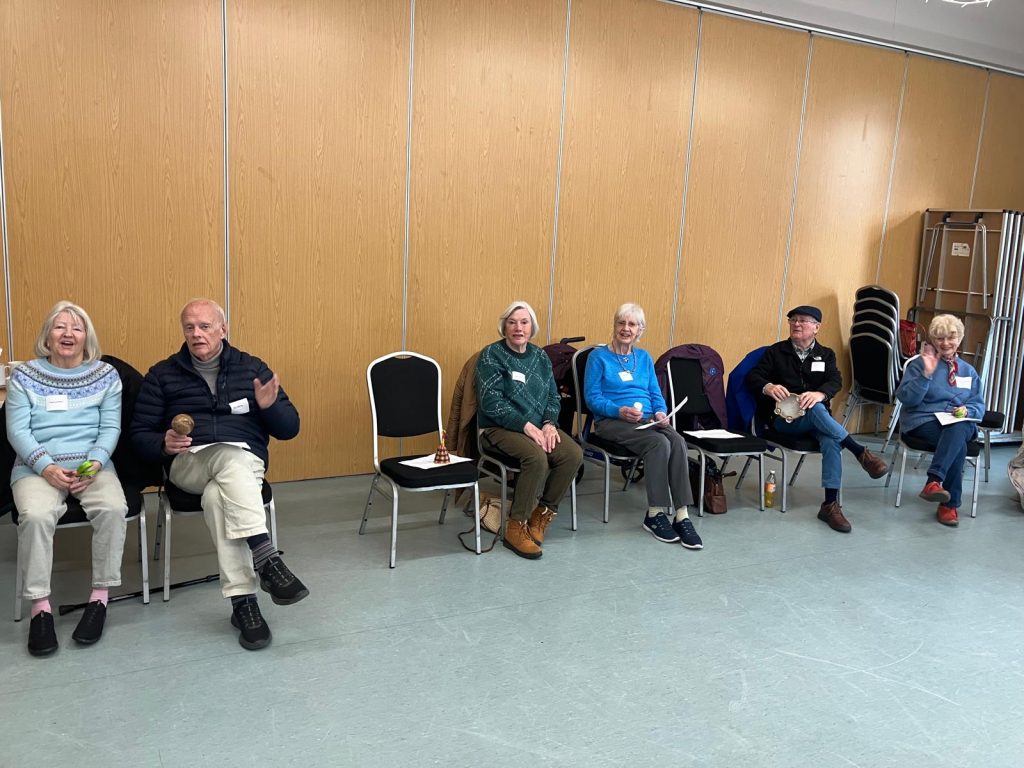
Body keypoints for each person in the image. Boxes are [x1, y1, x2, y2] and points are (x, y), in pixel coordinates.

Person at [131, 299, 306, 650]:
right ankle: (266, 556)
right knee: (229, 458)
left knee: (217, 496)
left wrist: (270, 407)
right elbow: (138, 435)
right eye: (190, 327)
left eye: (205, 326)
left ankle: (244, 603)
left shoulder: (252, 368)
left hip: (244, 464)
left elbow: (290, 429)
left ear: (223, 329)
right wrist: (163, 443)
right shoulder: (163, 374)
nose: (197, 334)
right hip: (188, 465)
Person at [7, 301, 127, 656]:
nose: (68, 334)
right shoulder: (24, 375)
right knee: (35, 516)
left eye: (77, 328)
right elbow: (17, 430)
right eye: (60, 327)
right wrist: (46, 467)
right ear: (47, 335)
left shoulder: (106, 375)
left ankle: (99, 598)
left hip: (92, 466)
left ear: (87, 337)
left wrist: (90, 469)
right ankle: (40, 607)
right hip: (36, 467)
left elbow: (110, 428)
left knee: (112, 509)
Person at [747, 305, 889, 533]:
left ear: (816, 327)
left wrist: (820, 394)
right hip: (785, 420)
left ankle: (829, 505)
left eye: (803, 320)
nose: (796, 324)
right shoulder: (776, 351)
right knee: (817, 411)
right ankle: (859, 451)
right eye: (793, 320)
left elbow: (835, 380)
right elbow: (753, 376)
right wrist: (768, 386)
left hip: (817, 420)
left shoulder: (826, 354)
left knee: (830, 437)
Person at [584, 303, 702, 549]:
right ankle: (655, 514)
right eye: (621, 323)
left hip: (648, 419)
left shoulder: (644, 357)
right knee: (658, 443)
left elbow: (655, 392)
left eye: (632, 324)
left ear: (640, 330)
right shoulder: (598, 357)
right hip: (611, 421)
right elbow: (592, 398)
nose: (625, 328)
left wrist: (660, 412)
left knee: (677, 441)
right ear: (614, 325)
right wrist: (618, 410)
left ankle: (681, 515)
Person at [476, 300, 583, 560]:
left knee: (573, 454)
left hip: (536, 427)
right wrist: (526, 426)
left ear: (531, 327)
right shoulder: (491, 355)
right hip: (497, 428)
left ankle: (541, 515)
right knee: (536, 458)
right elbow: (491, 403)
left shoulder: (540, 357)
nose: (518, 328)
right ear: (504, 327)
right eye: (512, 323)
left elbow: (553, 397)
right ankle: (516, 527)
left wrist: (549, 424)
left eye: (524, 322)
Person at [895, 314, 985, 527]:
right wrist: (926, 375)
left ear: (959, 339)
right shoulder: (920, 364)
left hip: (958, 422)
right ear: (933, 340)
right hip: (923, 420)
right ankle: (949, 505)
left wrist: (967, 409)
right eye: (939, 338)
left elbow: (979, 406)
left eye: (950, 338)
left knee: (958, 428)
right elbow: (906, 399)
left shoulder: (969, 371)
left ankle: (934, 481)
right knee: (959, 446)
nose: (945, 343)